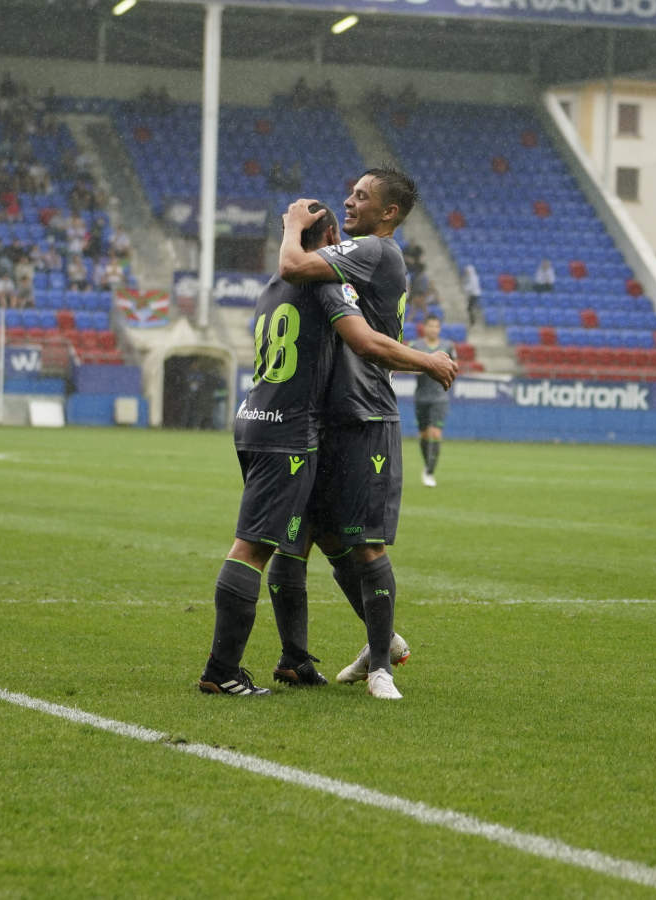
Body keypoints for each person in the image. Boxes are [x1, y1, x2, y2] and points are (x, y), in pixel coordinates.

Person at [197, 202, 455, 696]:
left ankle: (295, 658)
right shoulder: (326, 281)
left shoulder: (272, 288)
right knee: (255, 546)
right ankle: (221, 670)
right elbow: (364, 341)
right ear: (335, 238)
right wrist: (427, 360)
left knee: (300, 536)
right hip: (291, 431)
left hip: (255, 418)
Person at [270, 166, 431, 700]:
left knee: (365, 545)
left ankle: (382, 666)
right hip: (330, 418)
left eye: (363, 196)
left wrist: (293, 225)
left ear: (389, 213)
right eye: (351, 192)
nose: (349, 200)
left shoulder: (378, 251)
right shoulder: (358, 259)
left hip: (367, 415)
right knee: (330, 540)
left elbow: (293, 265)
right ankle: (378, 641)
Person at [408, 313, 457, 487]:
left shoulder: (448, 346)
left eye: (436, 326)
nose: (433, 329)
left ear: (439, 328)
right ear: (424, 327)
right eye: (430, 326)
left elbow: (454, 367)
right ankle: (427, 464)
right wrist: (420, 368)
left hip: (439, 397)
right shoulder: (415, 345)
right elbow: (407, 367)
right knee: (423, 435)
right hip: (421, 397)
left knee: (435, 433)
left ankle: (429, 471)